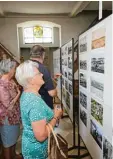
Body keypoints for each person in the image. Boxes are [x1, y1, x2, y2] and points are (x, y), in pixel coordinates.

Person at [15, 60, 62, 159]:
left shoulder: (27, 93)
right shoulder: (34, 102)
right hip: (36, 151)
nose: (42, 74)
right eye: (38, 73)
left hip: (29, 145)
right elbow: (41, 136)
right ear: (31, 80)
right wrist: (56, 117)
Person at [0, 59, 22, 159]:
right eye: (14, 68)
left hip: (14, 117)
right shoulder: (2, 84)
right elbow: (8, 105)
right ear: (9, 69)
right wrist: (18, 93)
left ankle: (13, 155)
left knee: (13, 138)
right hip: (7, 119)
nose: (15, 70)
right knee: (7, 142)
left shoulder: (10, 81)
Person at [30, 45, 61, 109]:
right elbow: (52, 93)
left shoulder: (25, 66)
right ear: (43, 55)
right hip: (44, 105)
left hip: (31, 103)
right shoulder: (43, 69)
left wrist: (52, 78)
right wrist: (56, 91)